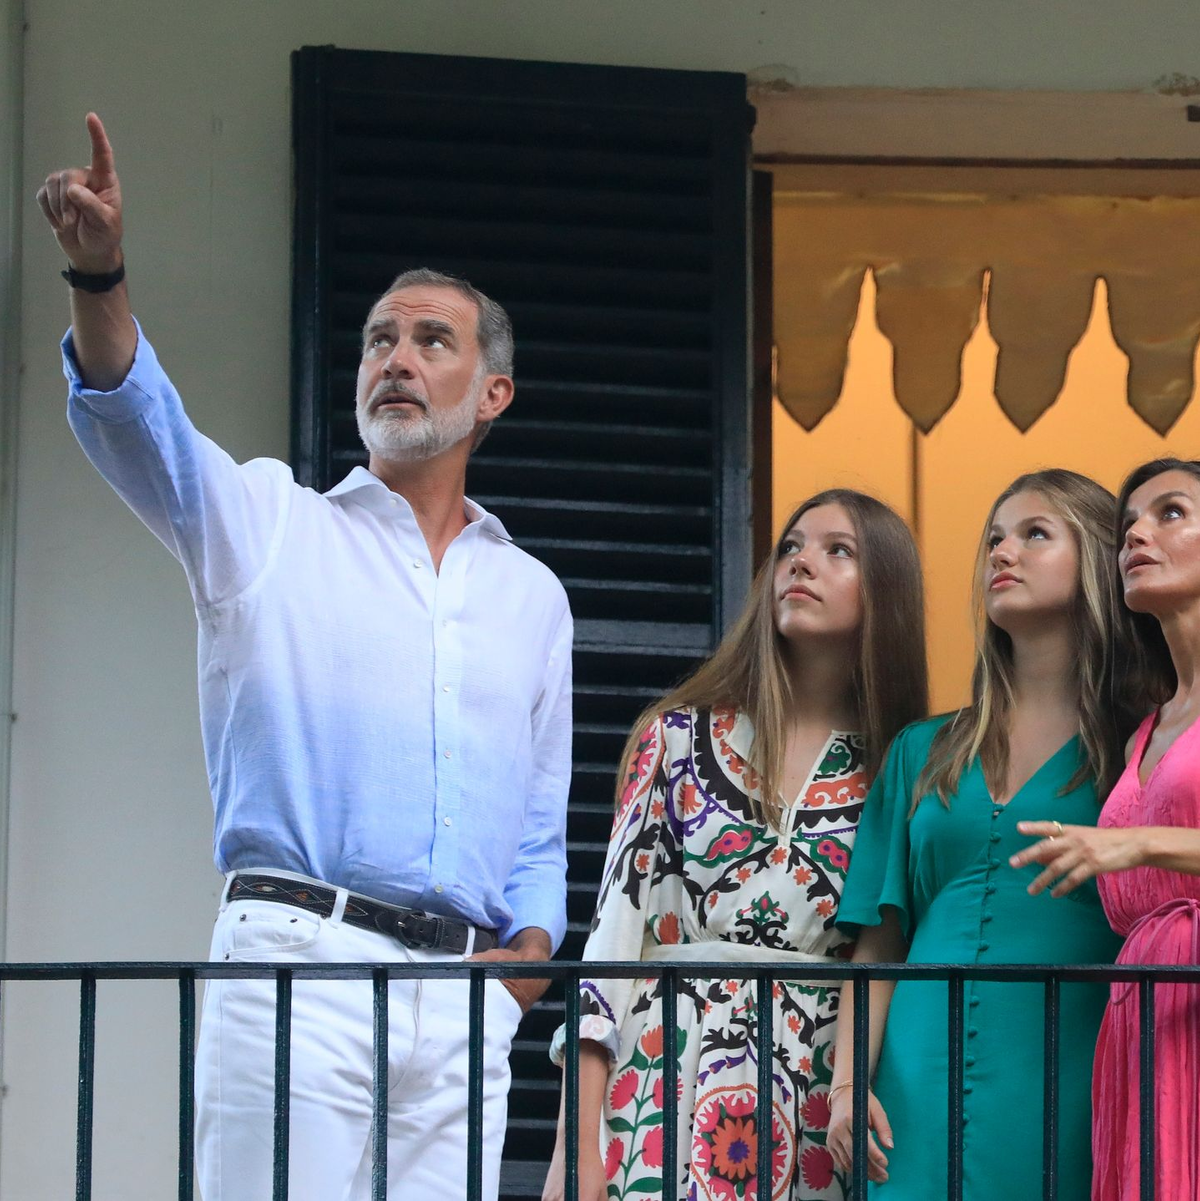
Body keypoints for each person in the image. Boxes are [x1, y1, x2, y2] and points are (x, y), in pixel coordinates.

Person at [37, 114, 572, 1201]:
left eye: (432, 340)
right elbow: (143, 430)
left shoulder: (533, 597)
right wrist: (101, 278)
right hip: (297, 963)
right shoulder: (271, 522)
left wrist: (516, 970)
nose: (398, 360)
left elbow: (539, 828)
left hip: (459, 1002)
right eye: (381, 338)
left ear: (493, 393)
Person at [542, 490, 928, 1201]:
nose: (800, 562)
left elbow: (889, 957)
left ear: (887, 592)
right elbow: (610, 949)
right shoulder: (677, 738)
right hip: (662, 1086)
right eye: (791, 546)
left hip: (814, 1107)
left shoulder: (901, 772)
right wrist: (575, 1148)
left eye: (837, 550)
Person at [830, 469, 1141, 1199]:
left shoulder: (1141, 745)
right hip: (911, 1079)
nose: (1003, 551)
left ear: (1097, 558)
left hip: (1073, 1065)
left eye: (1036, 533)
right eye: (996, 537)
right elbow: (877, 943)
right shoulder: (921, 749)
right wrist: (847, 1082)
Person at [1012, 457, 1200, 1201]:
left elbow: (1139, 846)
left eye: (1171, 513)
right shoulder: (1141, 732)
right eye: (1127, 526)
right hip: (1143, 1012)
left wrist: (1137, 843)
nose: (1137, 535)